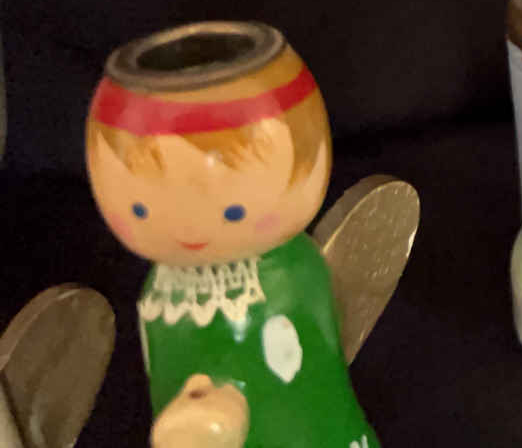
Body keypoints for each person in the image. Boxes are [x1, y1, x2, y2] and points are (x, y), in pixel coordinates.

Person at [86, 28, 380, 448]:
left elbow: (295, 382)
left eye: (233, 212)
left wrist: (220, 411)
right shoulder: (160, 295)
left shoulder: (290, 279)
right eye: (140, 211)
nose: (189, 231)